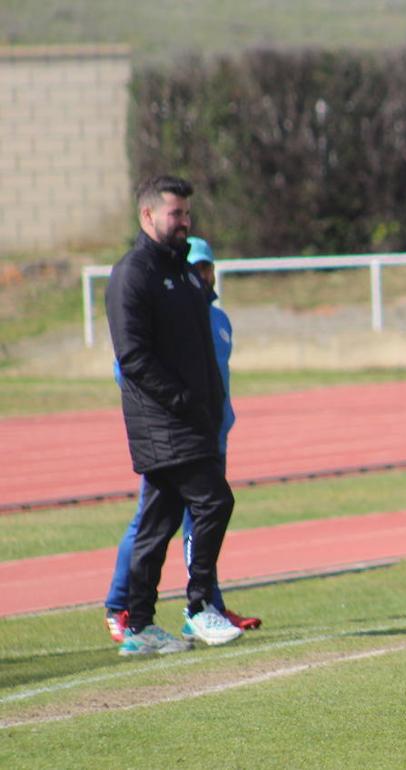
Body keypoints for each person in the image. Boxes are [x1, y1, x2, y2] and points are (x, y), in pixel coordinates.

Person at [104, 175, 241, 655]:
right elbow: (134, 356)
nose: (184, 222)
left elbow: (203, 351)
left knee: (157, 523)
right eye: (175, 214)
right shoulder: (133, 273)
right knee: (214, 502)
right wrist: (184, 402)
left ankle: (139, 625)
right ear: (147, 216)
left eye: (186, 213)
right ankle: (201, 607)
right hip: (163, 421)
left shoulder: (184, 273)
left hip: (193, 419)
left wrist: (212, 402)